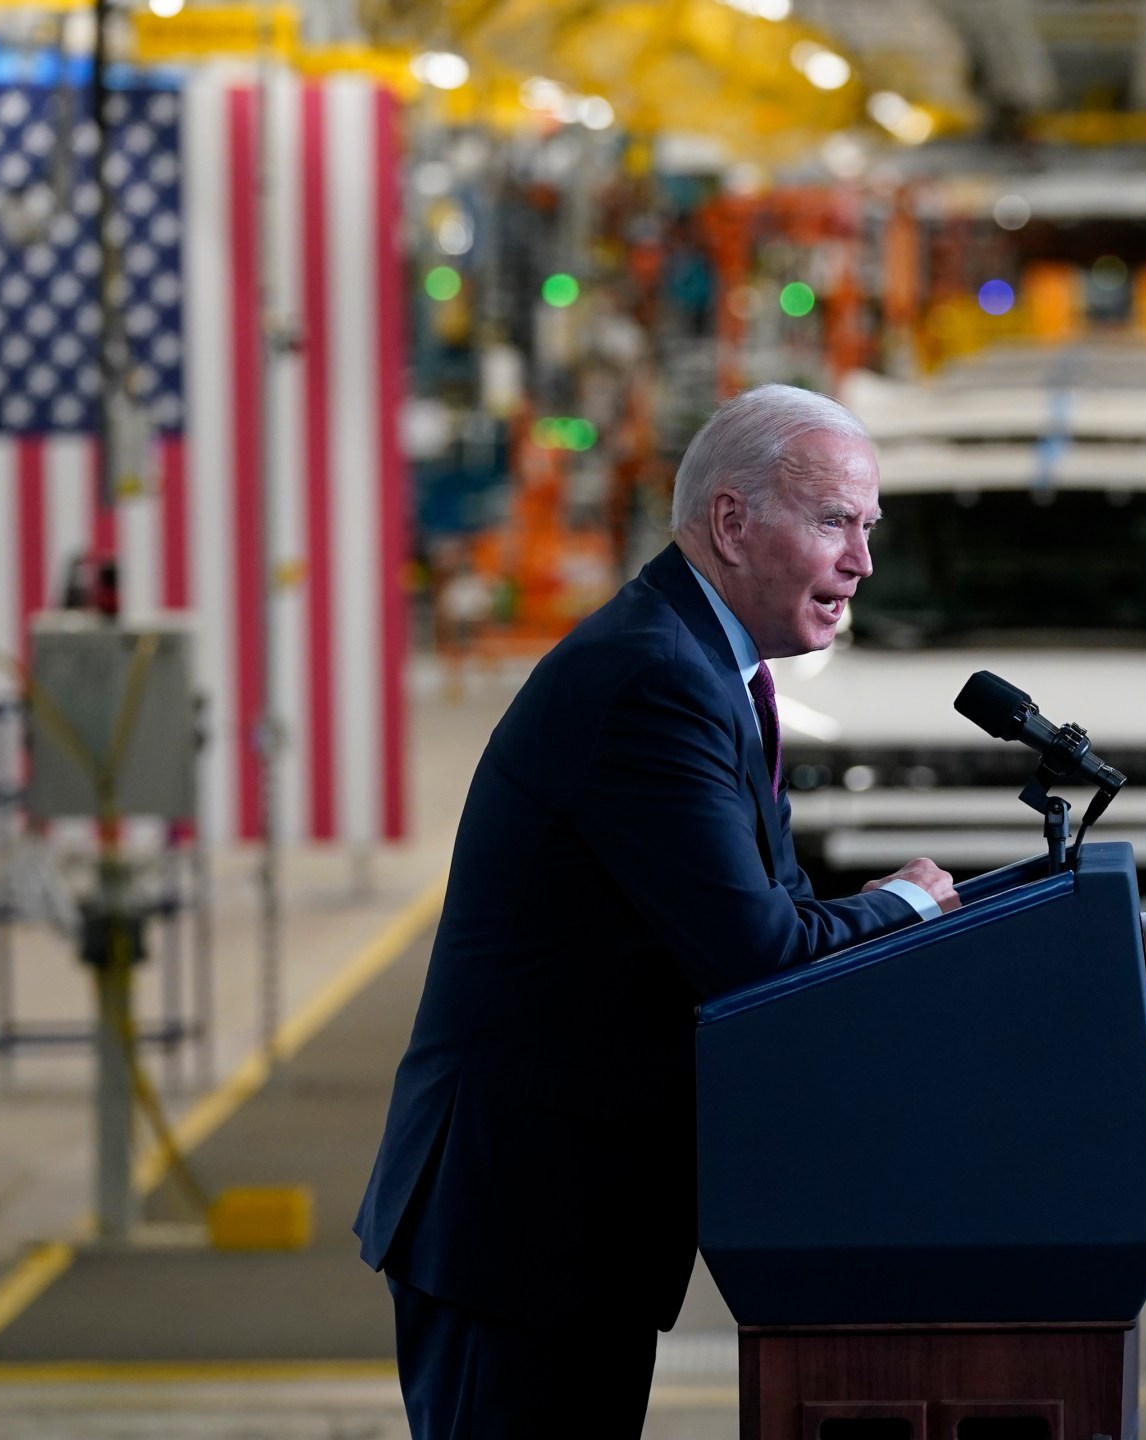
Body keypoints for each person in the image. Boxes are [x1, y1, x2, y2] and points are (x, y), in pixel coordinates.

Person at [353, 385, 958, 1437]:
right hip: (518, 1226)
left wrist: (859, 919)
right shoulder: (653, 680)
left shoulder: (702, 668)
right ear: (732, 523)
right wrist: (905, 904)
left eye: (867, 528)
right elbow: (758, 953)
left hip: (564, 1228)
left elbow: (766, 915)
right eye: (833, 523)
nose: (860, 561)